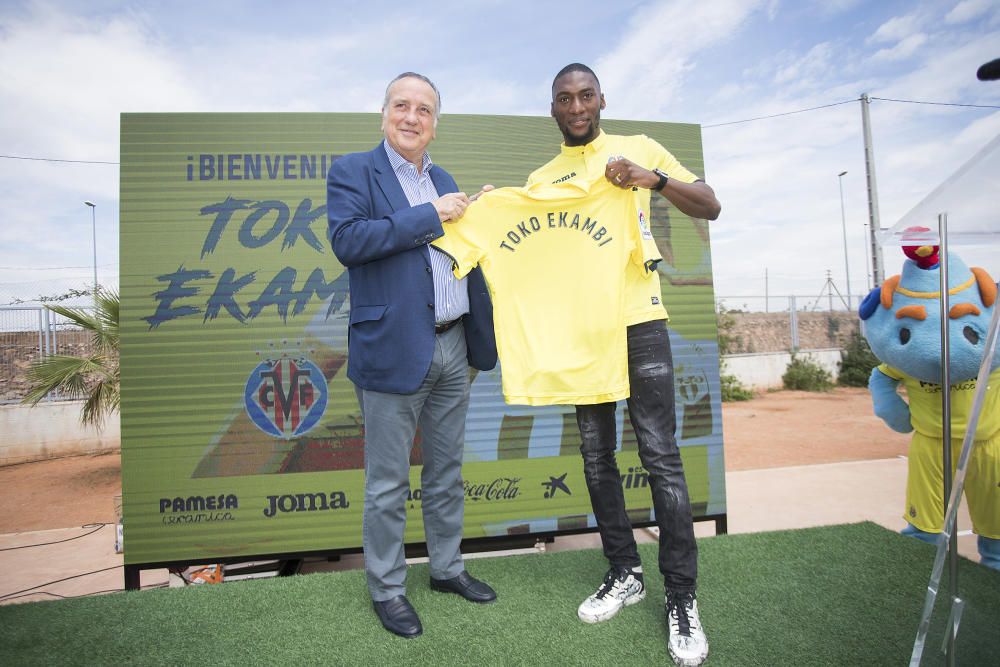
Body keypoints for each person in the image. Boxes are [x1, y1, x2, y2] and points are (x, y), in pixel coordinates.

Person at [526, 63, 721, 667]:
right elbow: (529, 250)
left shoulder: (638, 151)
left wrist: (651, 179)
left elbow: (711, 206)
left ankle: (682, 598)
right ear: (553, 108)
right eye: (565, 98)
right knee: (595, 456)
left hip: (640, 322)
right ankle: (624, 571)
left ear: (601, 99)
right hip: (581, 334)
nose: (577, 106)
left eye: (586, 95)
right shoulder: (541, 178)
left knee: (660, 455)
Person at [326, 72, 498, 639]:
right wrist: (433, 216)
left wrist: (481, 215)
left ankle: (446, 569)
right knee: (387, 482)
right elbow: (349, 241)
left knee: (447, 473)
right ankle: (388, 588)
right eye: (401, 105)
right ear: (383, 114)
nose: (411, 117)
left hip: (452, 344)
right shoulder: (353, 171)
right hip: (394, 348)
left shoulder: (443, 177)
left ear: (435, 124)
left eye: (423, 110)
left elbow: (463, 250)